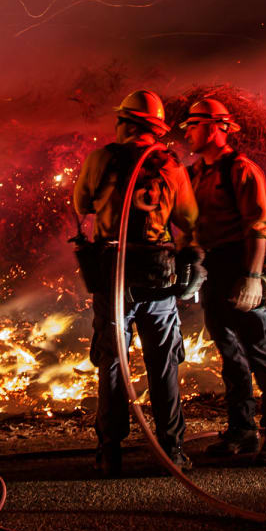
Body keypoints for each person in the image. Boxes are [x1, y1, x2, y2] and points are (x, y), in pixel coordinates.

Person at [72, 90, 197, 476]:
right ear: (155, 128)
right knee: (163, 362)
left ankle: (110, 453)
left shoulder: (101, 158)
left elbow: (82, 205)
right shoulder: (171, 164)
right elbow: (189, 217)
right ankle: (171, 450)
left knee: (112, 362)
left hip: (113, 274)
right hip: (158, 273)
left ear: (125, 122)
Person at [182, 97, 266, 466]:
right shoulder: (196, 173)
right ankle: (242, 430)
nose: (188, 133)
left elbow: (259, 225)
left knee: (260, 351)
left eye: (194, 126)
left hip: (242, 262)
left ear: (217, 127)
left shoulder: (242, 170)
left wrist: (252, 277)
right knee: (230, 354)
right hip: (212, 268)